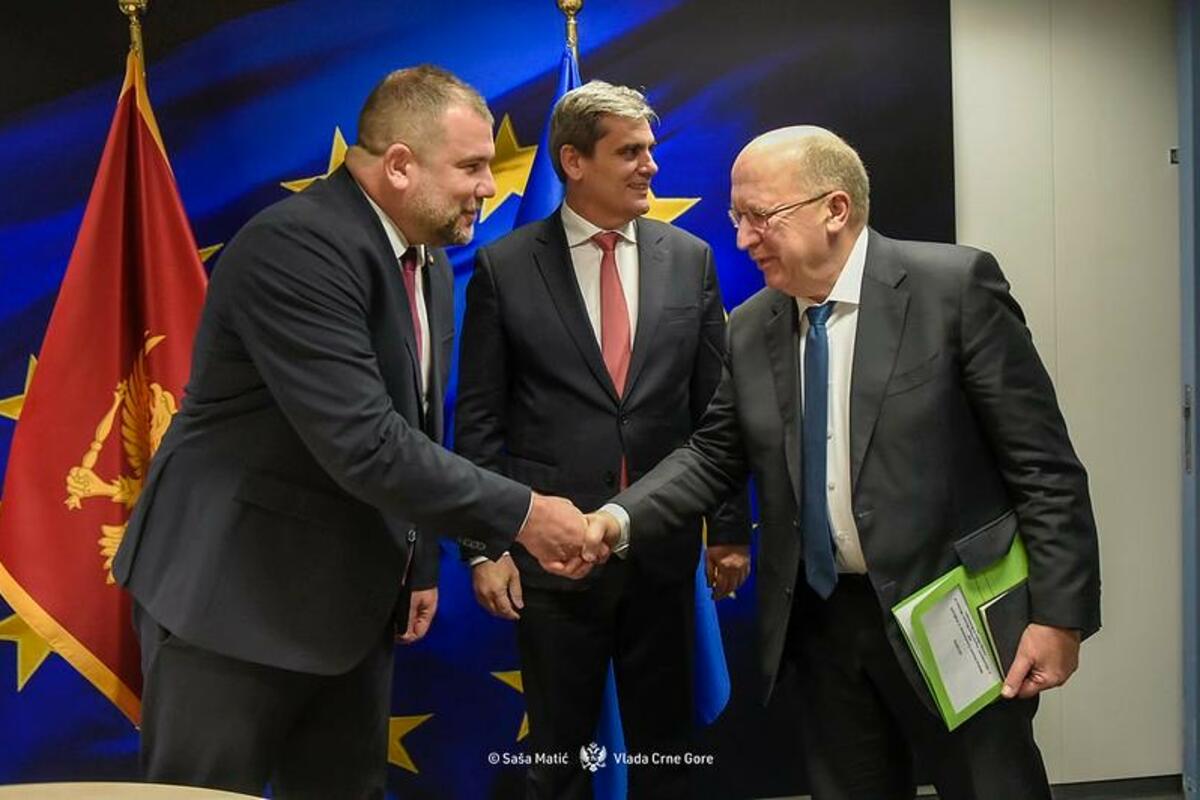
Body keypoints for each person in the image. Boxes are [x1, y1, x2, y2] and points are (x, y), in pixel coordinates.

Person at [112, 65, 598, 799]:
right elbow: (364, 442)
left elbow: (415, 421)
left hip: (351, 606)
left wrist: (419, 562)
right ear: (400, 165)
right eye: (471, 166)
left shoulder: (426, 259)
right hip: (229, 604)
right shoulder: (297, 248)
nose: (488, 187)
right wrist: (526, 514)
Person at [587, 126, 1101, 799]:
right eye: (737, 218)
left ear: (835, 209)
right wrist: (615, 520)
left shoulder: (954, 289)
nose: (742, 239)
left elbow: (1042, 466)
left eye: (759, 217)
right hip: (823, 625)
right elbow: (712, 456)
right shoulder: (752, 327)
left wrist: (1059, 615)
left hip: (955, 613)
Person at [454, 81, 750, 799]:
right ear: (574, 161)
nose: (651, 165)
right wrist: (485, 546)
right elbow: (481, 419)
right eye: (631, 152)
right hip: (553, 559)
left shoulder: (690, 257)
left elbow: (716, 410)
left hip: (663, 552)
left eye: (650, 149)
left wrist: (728, 530)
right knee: (559, 758)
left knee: (665, 754)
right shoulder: (505, 267)